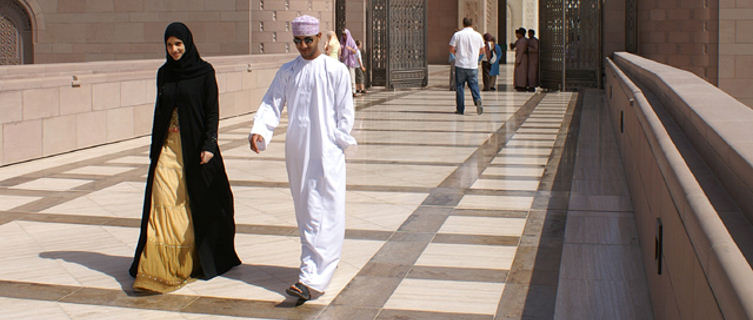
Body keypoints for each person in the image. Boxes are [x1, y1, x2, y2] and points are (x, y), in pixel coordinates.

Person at [248, 15, 356, 303]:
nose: (303, 46)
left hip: (327, 152)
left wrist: (337, 144)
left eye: (308, 40)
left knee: (328, 210)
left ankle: (313, 277)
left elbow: (346, 114)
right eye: (298, 41)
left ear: (319, 37)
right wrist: (260, 131)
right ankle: (311, 271)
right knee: (307, 209)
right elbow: (272, 102)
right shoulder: (288, 71)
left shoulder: (336, 71)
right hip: (298, 152)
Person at [129, 22, 241, 293]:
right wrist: (154, 148)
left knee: (193, 201)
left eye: (178, 44)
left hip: (195, 148)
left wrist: (209, 145)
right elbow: (160, 111)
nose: (175, 49)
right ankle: (158, 266)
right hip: (168, 146)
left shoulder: (204, 72)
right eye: (169, 45)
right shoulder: (164, 73)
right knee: (162, 199)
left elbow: (212, 112)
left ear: (188, 43)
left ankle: (188, 260)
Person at [449, 17, 485, 115]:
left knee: (460, 87)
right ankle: (477, 99)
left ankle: (460, 109)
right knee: (474, 85)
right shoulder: (478, 35)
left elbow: (451, 48)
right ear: (472, 24)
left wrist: (457, 55)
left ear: (463, 23)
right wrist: (476, 59)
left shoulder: (457, 35)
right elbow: (482, 50)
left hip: (460, 64)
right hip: (473, 65)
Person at [339, 28, 359, 97]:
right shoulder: (342, 42)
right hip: (343, 61)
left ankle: (353, 91)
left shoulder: (351, 42)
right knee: (344, 77)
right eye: (343, 35)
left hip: (350, 61)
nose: (344, 36)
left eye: (345, 35)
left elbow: (355, 51)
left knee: (351, 76)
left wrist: (350, 49)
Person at [510, 27, 529, 92]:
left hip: (522, 58)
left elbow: (521, 51)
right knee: (519, 72)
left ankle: (522, 85)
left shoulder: (523, 41)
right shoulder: (520, 40)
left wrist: (518, 60)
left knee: (522, 72)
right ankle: (519, 84)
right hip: (520, 57)